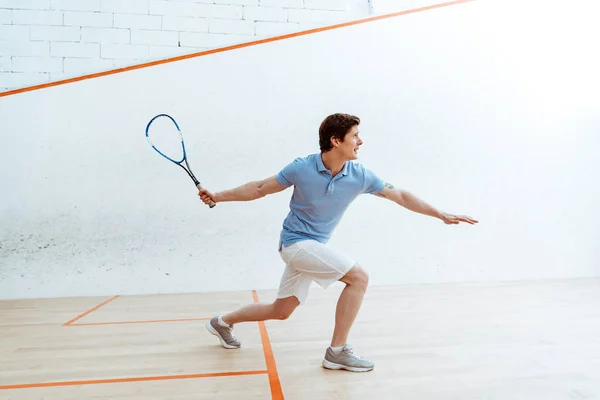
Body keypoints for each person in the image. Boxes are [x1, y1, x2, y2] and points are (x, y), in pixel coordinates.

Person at [198, 113, 477, 372]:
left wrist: (441, 214)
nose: (360, 141)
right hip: (295, 244)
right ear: (335, 140)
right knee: (358, 278)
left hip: (311, 248)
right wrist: (218, 196)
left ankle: (221, 322)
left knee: (280, 311)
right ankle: (337, 351)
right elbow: (259, 188)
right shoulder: (301, 167)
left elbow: (400, 195)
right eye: (355, 135)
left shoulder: (360, 175)